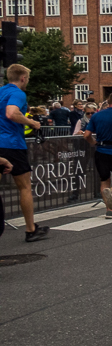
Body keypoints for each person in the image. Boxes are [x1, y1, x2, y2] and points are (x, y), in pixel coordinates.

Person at [0, 64, 48, 241]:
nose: (27, 81)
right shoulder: (18, 93)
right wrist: (32, 123)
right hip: (12, 144)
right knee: (25, 187)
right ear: (22, 78)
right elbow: (11, 113)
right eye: (27, 78)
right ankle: (30, 229)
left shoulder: (0, 91)